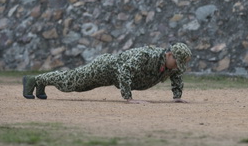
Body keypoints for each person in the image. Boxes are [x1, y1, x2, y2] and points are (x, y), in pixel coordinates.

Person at [22, 43, 192, 104]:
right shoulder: (147, 55)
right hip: (107, 67)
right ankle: (34, 80)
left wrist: (177, 96)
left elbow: (176, 76)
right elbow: (125, 70)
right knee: (71, 82)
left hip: (113, 76)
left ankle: (41, 84)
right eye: (177, 61)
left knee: (78, 87)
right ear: (169, 55)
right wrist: (129, 98)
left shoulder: (171, 66)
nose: (177, 66)